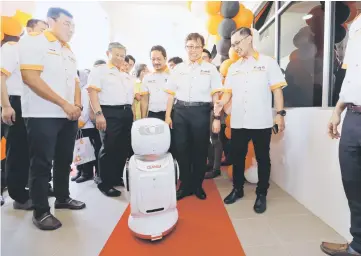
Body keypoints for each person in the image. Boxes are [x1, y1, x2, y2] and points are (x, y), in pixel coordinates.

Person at [19, 7, 86, 230]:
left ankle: (63, 198)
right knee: (41, 163)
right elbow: (30, 77)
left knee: (64, 159)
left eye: (73, 26)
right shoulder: (34, 41)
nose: (71, 30)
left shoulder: (68, 50)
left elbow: (75, 82)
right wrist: (64, 104)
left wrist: (76, 105)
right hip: (42, 114)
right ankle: (40, 211)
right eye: (67, 24)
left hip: (67, 115)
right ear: (51, 21)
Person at [213, 27, 286, 214]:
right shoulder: (234, 68)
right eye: (232, 44)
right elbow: (227, 93)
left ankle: (261, 194)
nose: (235, 47)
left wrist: (280, 114)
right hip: (238, 122)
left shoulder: (268, 63)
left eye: (237, 43)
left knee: (263, 158)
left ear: (249, 39)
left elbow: (277, 90)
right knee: (237, 158)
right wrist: (220, 103)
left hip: (261, 121)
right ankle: (237, 189)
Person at [164, 33, 223, 201]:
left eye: (197, 46)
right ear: (185, 48)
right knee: (181, 149)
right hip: (180, 111)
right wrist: (168, 116)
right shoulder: (178, 69)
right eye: (190, 46)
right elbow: (170, 95)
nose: (193, 50)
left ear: (202, 48)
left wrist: (217, 117)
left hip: (201, 112)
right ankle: (185, 185)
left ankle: (197, 185)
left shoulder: (210, 69)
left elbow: (216, 95)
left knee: (200, 150)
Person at [320, 14, 361, 256]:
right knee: (353, 183)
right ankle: (358, 245)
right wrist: (337, 110)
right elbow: (352, 74)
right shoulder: (355, 25)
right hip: (353, 117)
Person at [87, 42, 134, 197]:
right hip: (109, 112)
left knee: (123, 147)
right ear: (108, 53)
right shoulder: (100, 70)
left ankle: (115, 177)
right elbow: (92, 92)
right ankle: (104, 183)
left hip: (126, 113)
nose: (120, 58)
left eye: (122, 55)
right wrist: (98, 113)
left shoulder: (125, 74)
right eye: (117, 55)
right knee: (108, 147)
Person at [1, 26, 33, 210]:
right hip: (14, 103)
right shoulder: (11, 47)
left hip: (22, 103)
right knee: (16, 151)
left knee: (22, 151)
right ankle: (18, 196)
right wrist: (6, 105)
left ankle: (21, 190)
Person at [73, 70, 101, 183]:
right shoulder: (78, 90)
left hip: (87, 126)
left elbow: (86, 109)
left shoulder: (85, 90)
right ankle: (82, 171)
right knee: (81, 151)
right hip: (79, 124)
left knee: (88, 151)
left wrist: (80, 122)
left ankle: (88, 173)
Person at [140, 45, 170, 121]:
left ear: (165, 58)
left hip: (169, 115)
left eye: (159, 59)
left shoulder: (172, 75)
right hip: (152, 115)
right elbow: (144, 100)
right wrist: (143, 119)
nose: (156, 62)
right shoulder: (147, 78)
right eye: (153, 59)